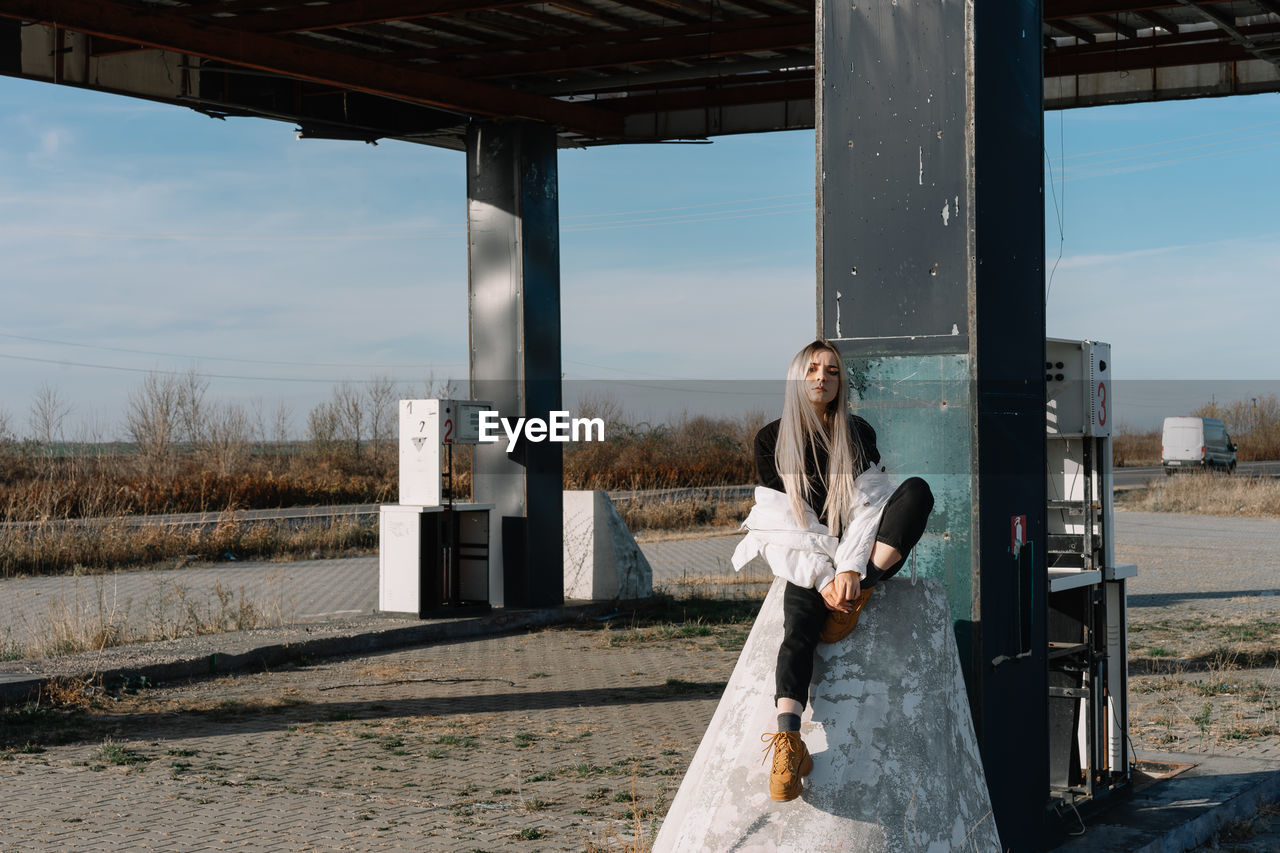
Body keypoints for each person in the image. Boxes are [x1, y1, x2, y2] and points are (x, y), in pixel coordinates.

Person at [731, 339, 934, 802]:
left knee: (916, 492)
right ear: (798, 378)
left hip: (857, 559)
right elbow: (784, 524)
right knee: (799, 624)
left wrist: (852, 572)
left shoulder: (857, 431)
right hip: (808, 553)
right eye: (812, 369)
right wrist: (825, 577)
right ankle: (789, 741)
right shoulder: (771, 439)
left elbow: (869, 509)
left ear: (841, 382)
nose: (822, 377)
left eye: (832, 371)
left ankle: (857, 598)